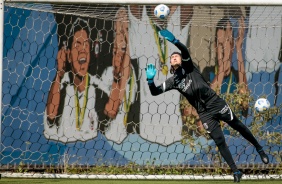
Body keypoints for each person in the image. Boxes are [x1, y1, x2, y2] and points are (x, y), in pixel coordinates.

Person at [145, 29, 269, 182]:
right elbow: (155, 92)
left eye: (176, 56)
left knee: (237, 125)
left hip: (215, 103)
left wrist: (175, 41)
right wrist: (150, 81)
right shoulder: (173, 81)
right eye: (172, 57)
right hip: (203, 112)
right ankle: (236, 172)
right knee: (219, 141)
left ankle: (259, 148)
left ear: (182, 60)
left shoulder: (189, 67)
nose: (175, 57)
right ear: (170, 63)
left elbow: (183, 49)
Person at [44, 17, 106, 143]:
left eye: (86, 45)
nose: (83, 49)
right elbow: (51, 115)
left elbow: (111, 111)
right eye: (77, 45)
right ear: (68, 55)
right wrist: (59, 74)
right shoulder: (61, 85)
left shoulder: (99, 88)